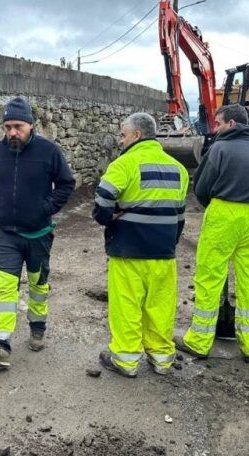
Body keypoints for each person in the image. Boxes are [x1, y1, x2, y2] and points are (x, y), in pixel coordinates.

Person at [176, 104, 249, 363]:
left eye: (220, 123)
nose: (216, 128)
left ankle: (199, 341)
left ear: (232, 124)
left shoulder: (220, 149)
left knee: (210, 276)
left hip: (223, 214)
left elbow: (201, 188)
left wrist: (217, 206)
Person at [0, 97, 76, 368]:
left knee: (38, 286)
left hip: (38, 234)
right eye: (7, 126)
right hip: (7, 234)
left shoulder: (48, 151)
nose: (11, 132)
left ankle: (38, 327)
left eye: (17, 126)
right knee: (5, 289)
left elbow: (67, 184)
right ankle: (1, 343)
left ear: (31, 125)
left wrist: (46, 208)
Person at [93, 113, 188, 378]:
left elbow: (102, 201)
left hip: (128, 250)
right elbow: (180, 215)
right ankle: (161, 359)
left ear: (136, 135)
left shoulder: (123, 164)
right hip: (163, 252)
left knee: (127, 306)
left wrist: (106, 218)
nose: (121, 141)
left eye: (123, 135)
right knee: (160, 305)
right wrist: (171, 242)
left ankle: (126, 359)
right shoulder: (177, 168)